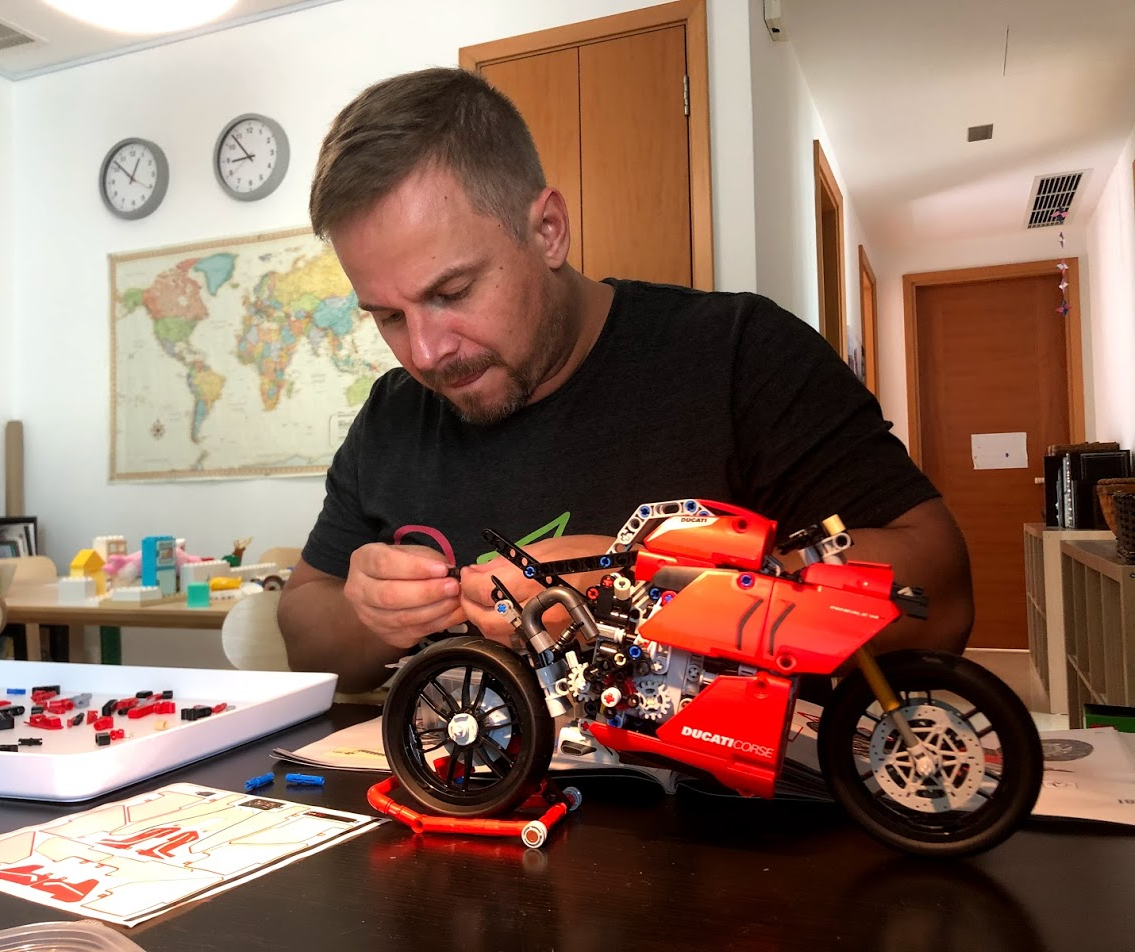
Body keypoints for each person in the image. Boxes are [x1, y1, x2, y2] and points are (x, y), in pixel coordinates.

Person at [279, 67, 973, 694]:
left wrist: (640, 578)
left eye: (452, 292)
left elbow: (939, 599)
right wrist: (371, 614)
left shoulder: (738, 353)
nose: (426, 353)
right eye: (388, 316)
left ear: (549, 230)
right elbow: (305, 635)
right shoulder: (392, 416)